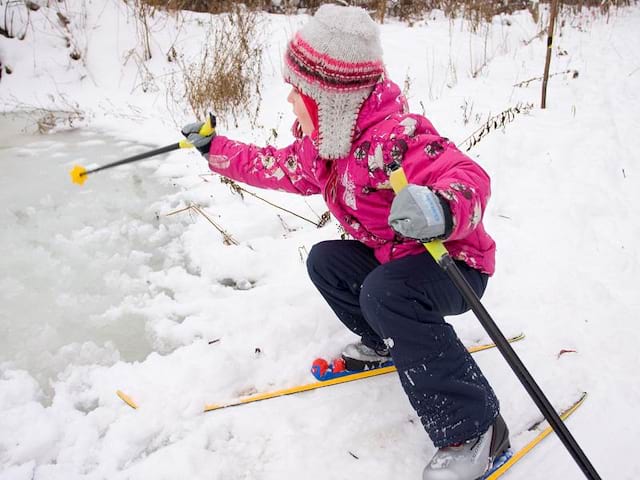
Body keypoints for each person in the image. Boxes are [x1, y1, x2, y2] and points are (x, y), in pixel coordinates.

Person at [182, 5, 509, 479]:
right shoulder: (330, 145)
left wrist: (441, 208)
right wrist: (217, 150)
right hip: (397, 258)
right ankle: (383, 339)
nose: (290, 98)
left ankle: (476, 429)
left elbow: (468, 176)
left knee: (387, 292)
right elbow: (276, 166)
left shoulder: (393, 139)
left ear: (331, 98)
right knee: (326, 260)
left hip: (454, 264)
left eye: (301, 90)